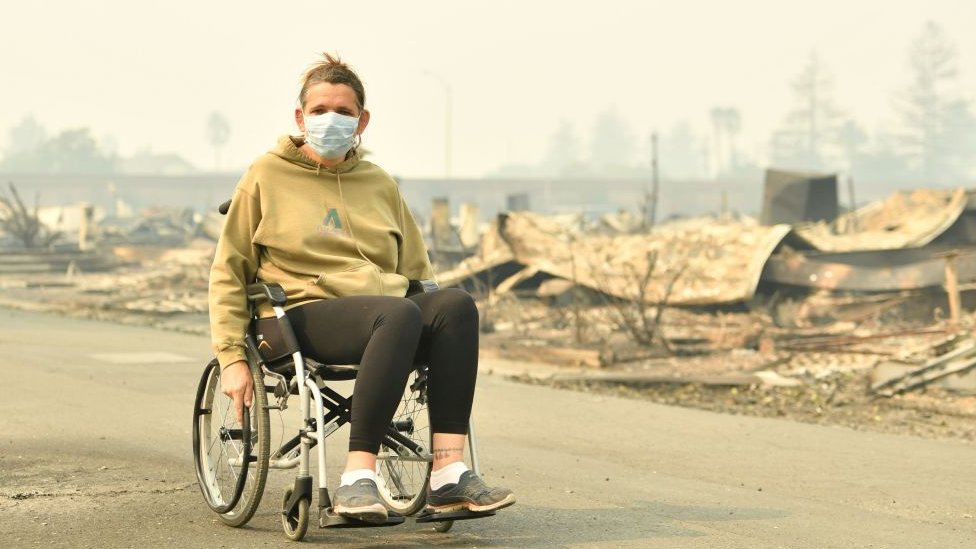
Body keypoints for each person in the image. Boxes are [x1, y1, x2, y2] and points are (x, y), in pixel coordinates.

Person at [208, 52, 515, 524]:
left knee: (455, 305)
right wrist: (231, 356)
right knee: (397, 313)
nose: (330, 119)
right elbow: (229, 268)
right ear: (300, 117)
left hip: (386, 319)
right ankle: (356, 478)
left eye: (343, 111)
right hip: (296, 316)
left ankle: (448, 472)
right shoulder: (265, 175)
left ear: (362, 121)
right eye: (319, 110)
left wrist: (437, 320)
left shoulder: (379, 183)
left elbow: (417, 270)